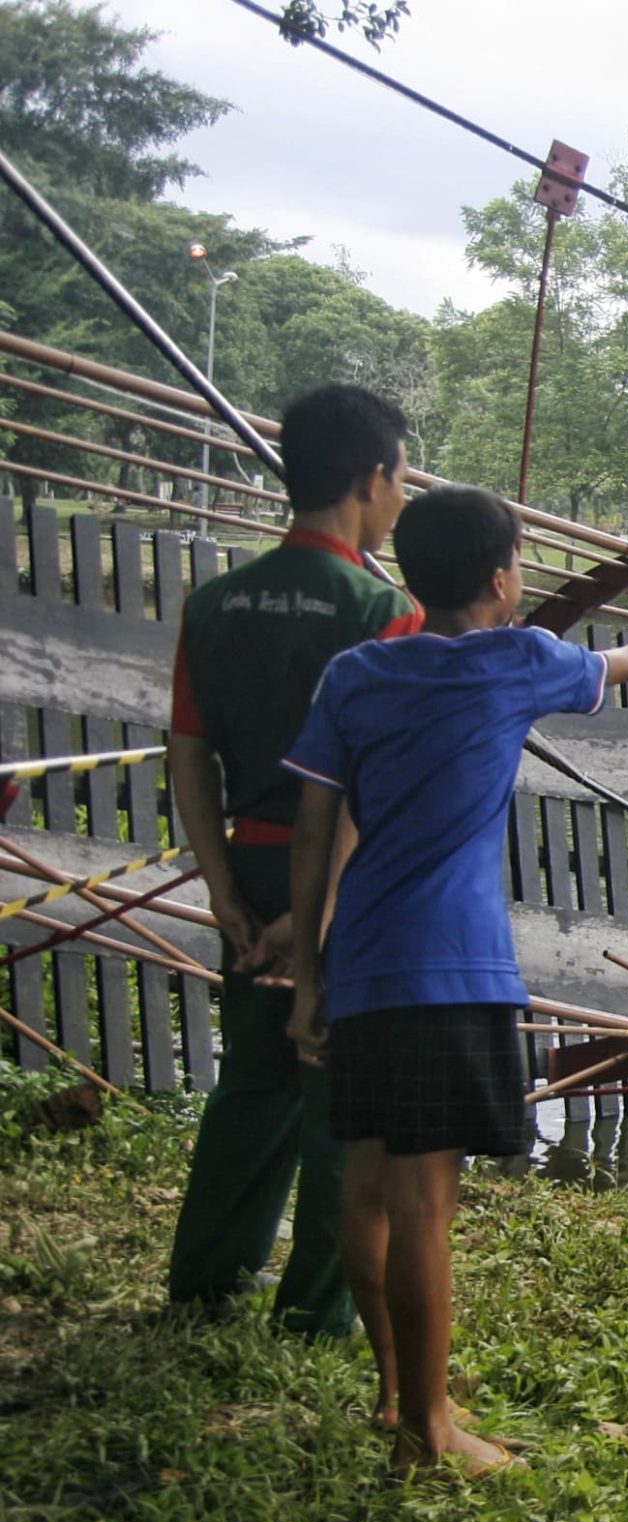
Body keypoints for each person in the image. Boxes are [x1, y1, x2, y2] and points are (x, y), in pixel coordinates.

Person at [282, 484, 628, 1475]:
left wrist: (308, 972)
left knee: (371, 1185)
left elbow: (311, 834)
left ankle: (395, 1391)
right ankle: (432, 1434)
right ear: (505, 579)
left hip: (365, 957)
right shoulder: (518, 661)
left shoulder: (355, 674)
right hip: (452, 965)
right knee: (429, 1201)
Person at [164, 384, 422, 1336]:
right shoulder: (380, 608)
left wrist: (227, 893)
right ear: (370, 478)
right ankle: (316, 1313)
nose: (401, 501)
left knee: (255, 1082)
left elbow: (188, 751)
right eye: (401, 479)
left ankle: (205, 1280)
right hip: (339, 886)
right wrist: (311, 920)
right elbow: (362, 783)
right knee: (337, 1098)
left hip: (248, 870)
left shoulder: (216, 603)